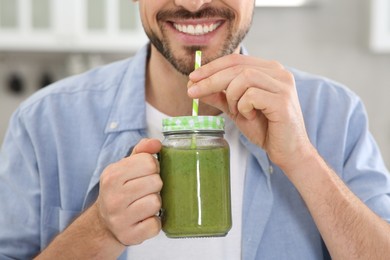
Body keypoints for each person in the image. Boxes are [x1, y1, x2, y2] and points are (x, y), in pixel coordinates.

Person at [1, 0, 390, 259]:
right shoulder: (43, 124)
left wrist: (303, 160)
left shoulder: (334, 113)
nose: (191, 2)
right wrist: (98, 229)